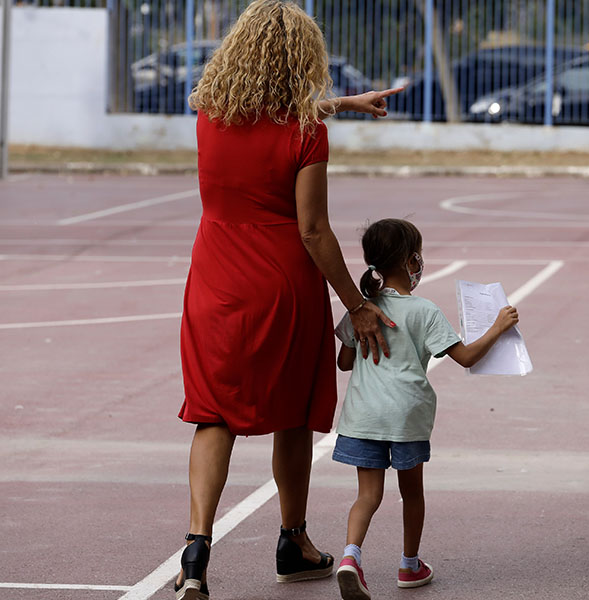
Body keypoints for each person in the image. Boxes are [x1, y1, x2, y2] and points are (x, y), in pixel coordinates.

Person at [174, 3, 404, 599]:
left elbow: (262, 117)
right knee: (295, 412)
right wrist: (355, 302)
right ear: (302, 58)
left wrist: (344, 106)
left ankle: (196, 554)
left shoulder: (209, 113)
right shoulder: (306, 132)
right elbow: (313, 230)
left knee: (213, 412)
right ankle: (292, 540)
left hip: (214, 279)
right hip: (282, 282)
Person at [332, 219, 520, 600]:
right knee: (411, 493)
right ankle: (409, 564)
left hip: (363, 416)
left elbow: (344, 362)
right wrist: (498, 327)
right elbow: (465, 357)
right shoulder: (424, 310)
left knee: (367, 496)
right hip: (406, 416)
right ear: (408, 260)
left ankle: (350, 559)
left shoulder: (361, 310)